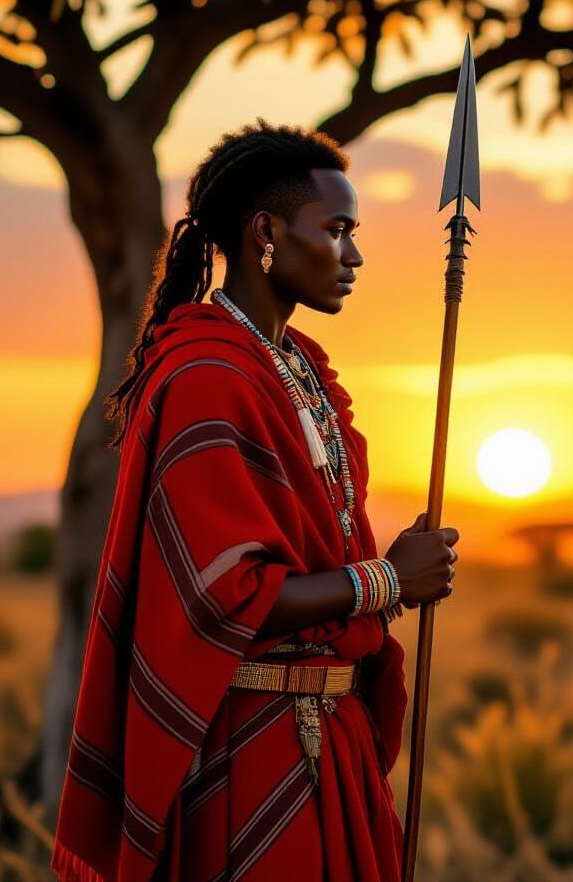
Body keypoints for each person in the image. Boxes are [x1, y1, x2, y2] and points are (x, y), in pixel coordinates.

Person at [52, 121, 460, 882]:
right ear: (266, 232)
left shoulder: (297, 368)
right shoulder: (208, 376)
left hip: (329, 738)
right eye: (336, 230)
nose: (355, 254)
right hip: (249, 748)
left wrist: (385, 579)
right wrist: (389, 581)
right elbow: (224, 598)